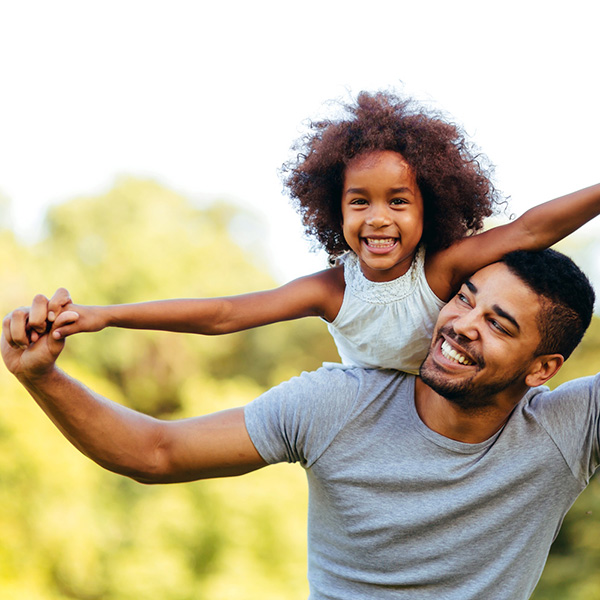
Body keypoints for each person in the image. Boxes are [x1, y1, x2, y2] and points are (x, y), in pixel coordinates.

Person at [2, 248, 597, 599]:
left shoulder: (566, 430)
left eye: (499, 324)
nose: (464, 323)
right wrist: (42, 378)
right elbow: (155, 452)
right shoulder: (338, 404)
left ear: (543, 367)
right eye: (464, 298)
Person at [42, 91, 600, 374]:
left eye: (399, 202)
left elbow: (530, 228)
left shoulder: (442, 269)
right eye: (360, 202)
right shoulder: (332, 291)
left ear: (430, 209)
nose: (378, 218)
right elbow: (225, 315)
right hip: (371, 423)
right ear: (335, 212)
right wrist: (106, 315)